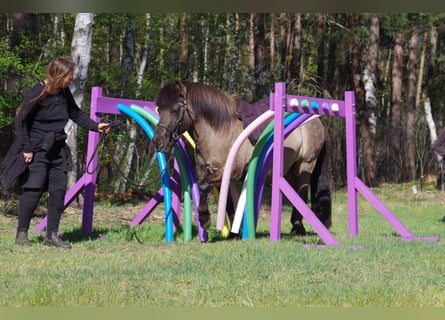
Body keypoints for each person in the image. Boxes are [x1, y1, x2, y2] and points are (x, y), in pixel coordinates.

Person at [5, 56, 110, 249]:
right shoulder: (38, 92)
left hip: (57, 149)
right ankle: (22, 234)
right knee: (33, 190)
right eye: (69, 76)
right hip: (35, 149)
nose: (72, 79)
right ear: (58, 74)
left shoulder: (63, 93)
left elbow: (75, 114)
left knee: (58, 191)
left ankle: (51, 235)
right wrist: (27, 148)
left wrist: (97, 126)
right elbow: (20, 121)